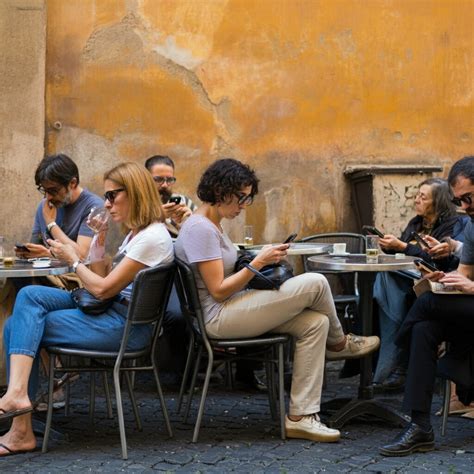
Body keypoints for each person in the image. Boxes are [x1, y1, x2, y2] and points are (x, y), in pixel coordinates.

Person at [175, 158, 380, 442]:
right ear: (221, 191)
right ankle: (340, 344)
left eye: (248, 198)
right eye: (242, 197)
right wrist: (258, 263)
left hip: (232, 307)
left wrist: (260, 259)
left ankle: (301, 417)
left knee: (315, 323)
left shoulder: (211, 224)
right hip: (219, 317)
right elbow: (219, 290)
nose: (244, 205)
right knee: (317, 282)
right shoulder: (201, 229)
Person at [0, 162, 173, 457]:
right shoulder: (138, 234)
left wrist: (74, 259)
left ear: (134, 193)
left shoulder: (152, 238)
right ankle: (18, 400)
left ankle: (20, 428)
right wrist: (101, 240)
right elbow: (103, 276)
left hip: (124, 328)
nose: (106, 203)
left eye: (112, 196)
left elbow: (102, 288)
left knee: (16, 325)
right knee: (29, 295)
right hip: (110, 311)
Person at [379, 155, 474, 457]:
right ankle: (421, 426)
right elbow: (465, 274)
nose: (466, 207)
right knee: (425, 327)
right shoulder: (472, 226)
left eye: (469, 198)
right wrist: (445, 277)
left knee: (428, 303)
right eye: (460, 202)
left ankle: (398, 352)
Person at [372, 178, 464, 390]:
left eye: (423, 197)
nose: (417, 200)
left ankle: (395, 356)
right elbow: (403, 254)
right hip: (407, 279)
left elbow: (439, 261)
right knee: (383, 280)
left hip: (434, 281)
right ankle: (388, 359)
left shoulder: (453, 225)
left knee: (386, 285)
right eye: (417, 195)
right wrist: (390, 246)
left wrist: (403, 246)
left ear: (438, 202)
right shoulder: (416, 223)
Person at [16, 153, 103, 261]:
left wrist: (51, 224)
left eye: (53, 190)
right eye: (45, 190)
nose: (48, 197)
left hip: (77, 275)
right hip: (46, 273)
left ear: (72, 183)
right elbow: (35, 247)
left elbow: (82, 256)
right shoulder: (44, 207)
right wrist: (26, 252)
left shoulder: (94, 207)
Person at [145, 155, 196, 238]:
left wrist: (191, 221)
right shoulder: (137, 203)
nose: (165, 185)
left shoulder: (183, 201)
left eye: (169, 180)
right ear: (146, 179)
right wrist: (157, 216)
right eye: (158, 179)